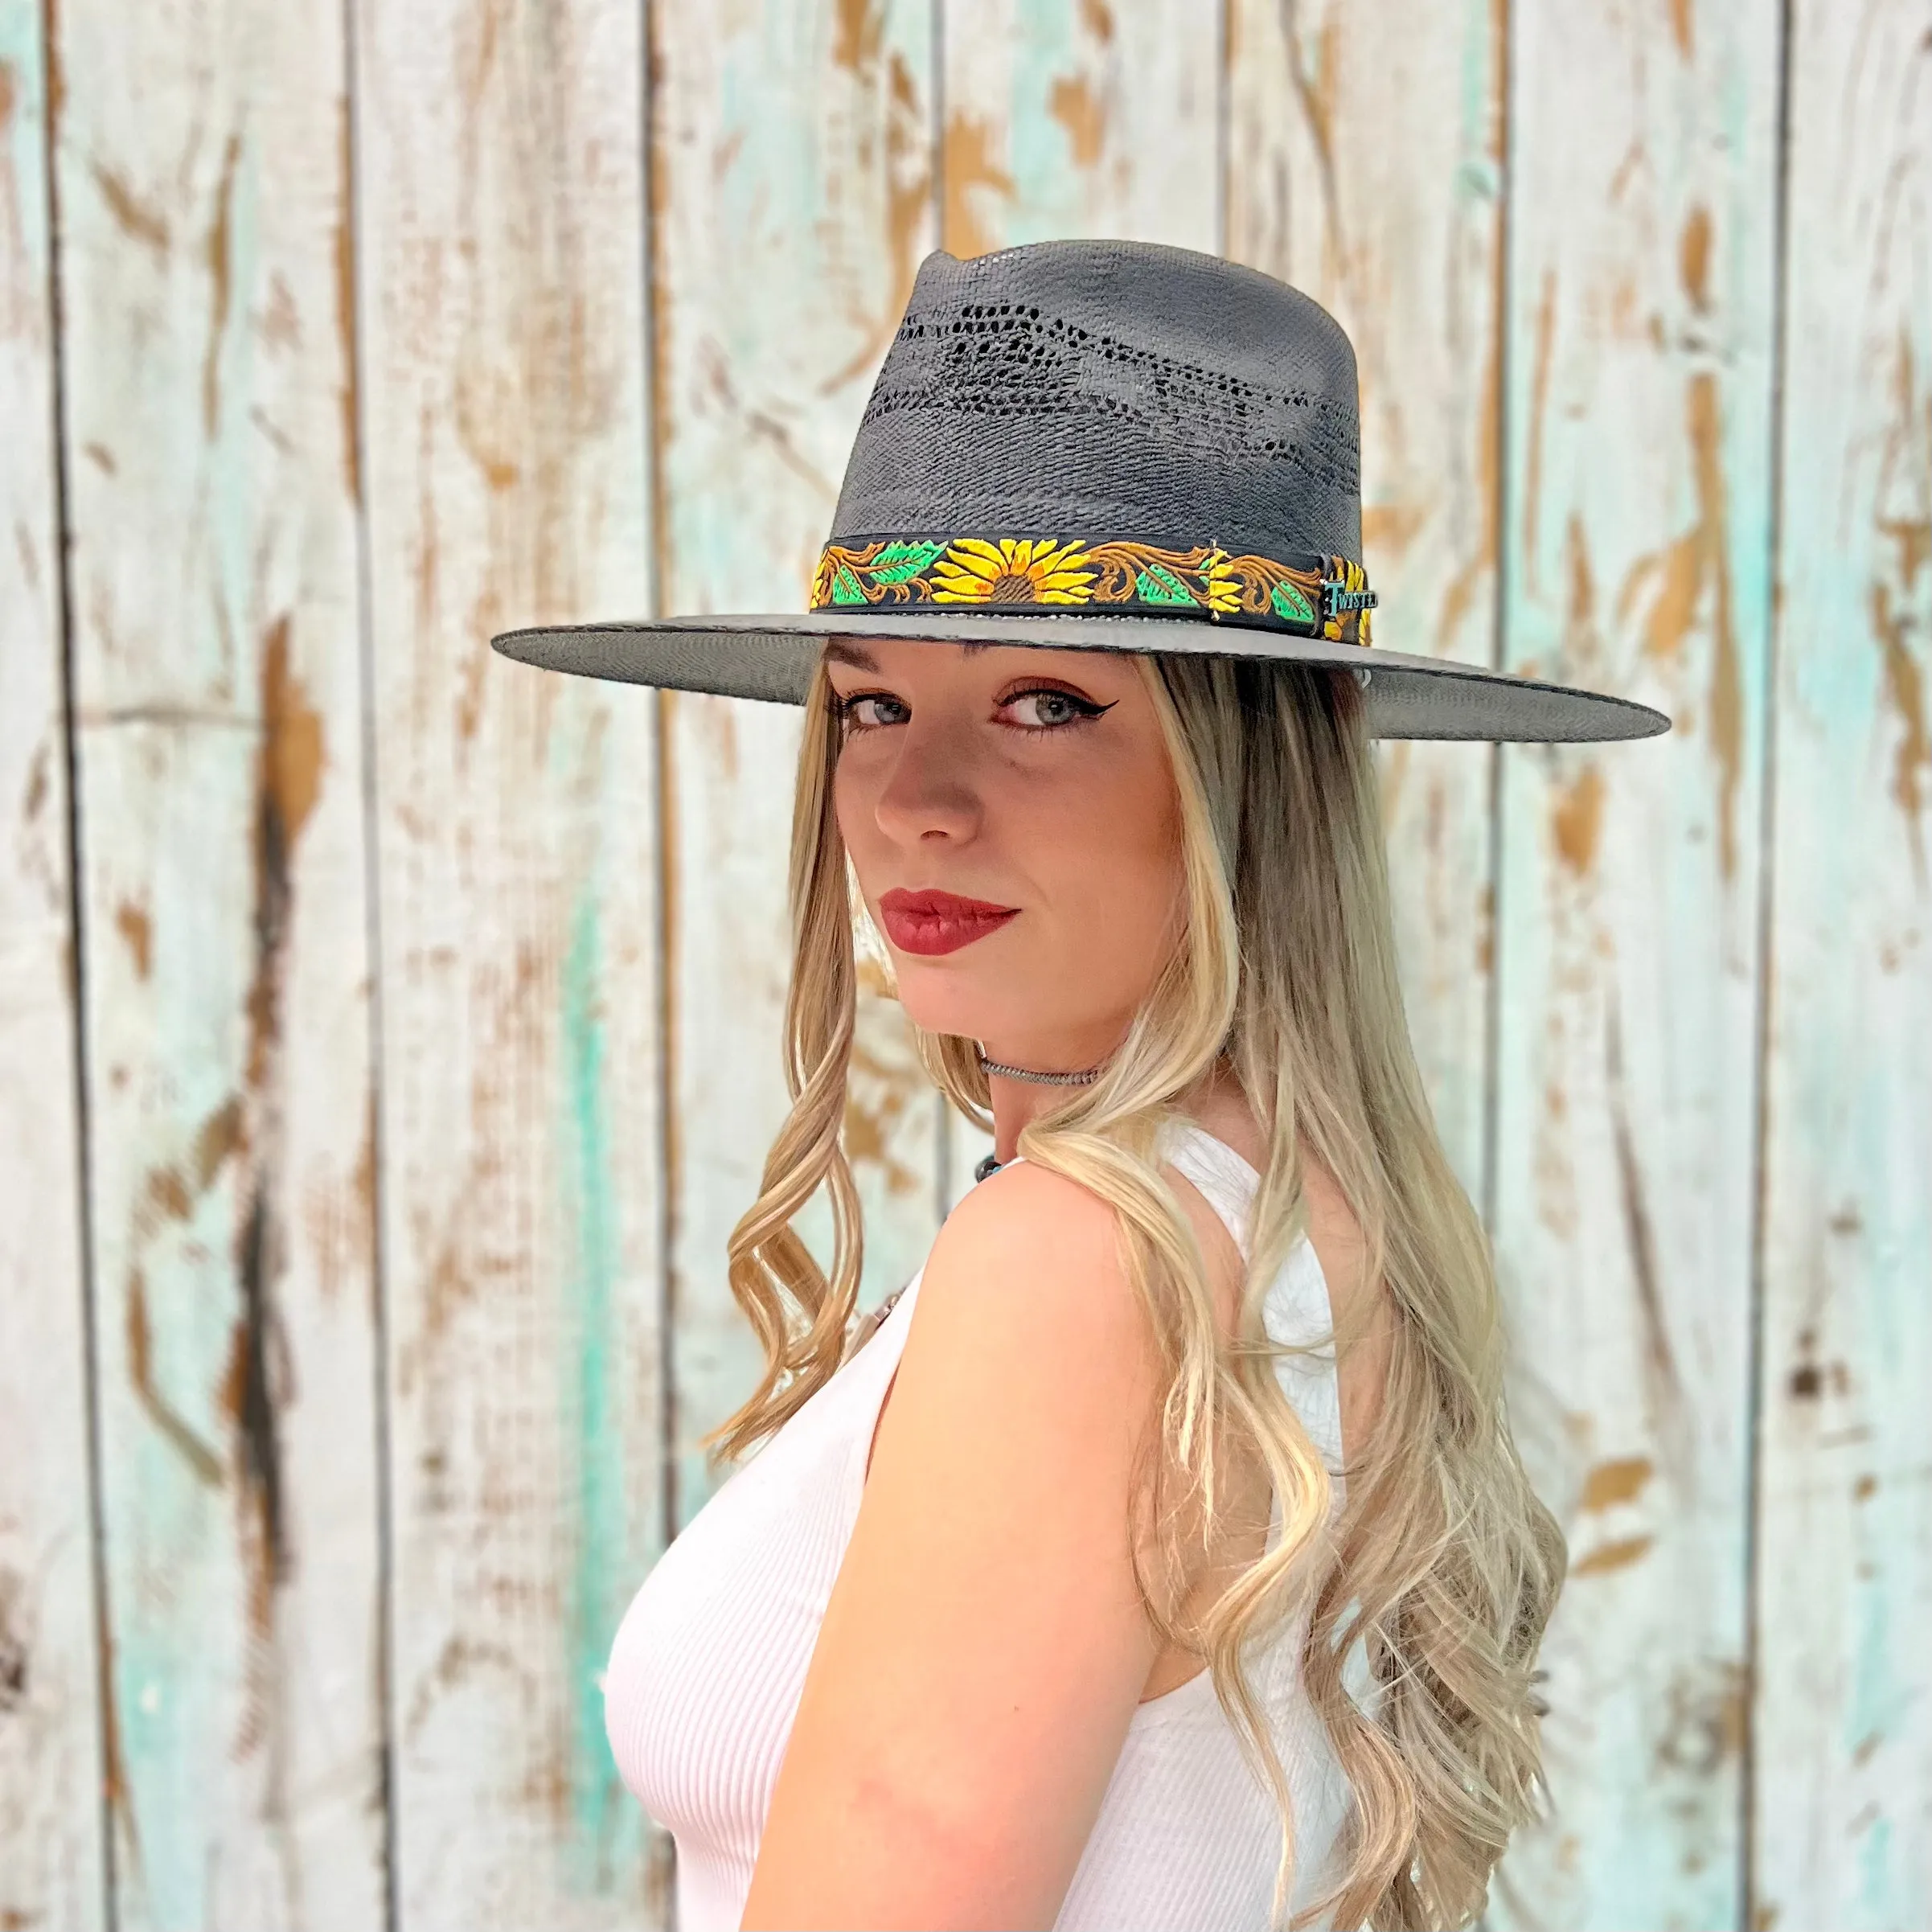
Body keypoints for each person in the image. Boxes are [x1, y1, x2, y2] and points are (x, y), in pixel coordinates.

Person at [494, 240, 1668, 1932]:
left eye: (1047, 703)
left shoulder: (1075, 1262)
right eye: (873, 702)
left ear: (1266, 759)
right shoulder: (1296, 1222)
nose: (918, 799)